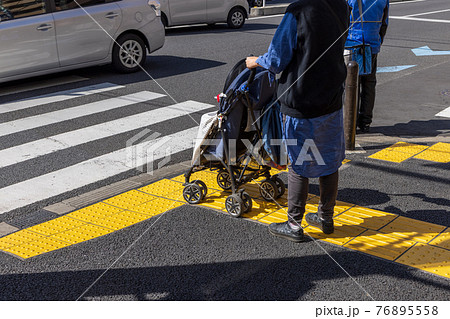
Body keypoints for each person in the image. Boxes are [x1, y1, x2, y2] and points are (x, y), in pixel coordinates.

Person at [246, 0, 350, 242]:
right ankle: (326, 216)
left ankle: (294, 224)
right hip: (331, 97)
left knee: (298, 162)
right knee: (329, 159)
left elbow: (275, 60)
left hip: (301, 100)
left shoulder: (298, 11)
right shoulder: (342, 6)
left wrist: (254, 61)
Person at [346, 0, 389, 133]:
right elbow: (384, 23)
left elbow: (342, 21)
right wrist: (377, 41)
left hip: (352, 44)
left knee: (350, 85)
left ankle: (349, 122)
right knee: (369, 84)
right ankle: (365, 122)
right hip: (372, 46)